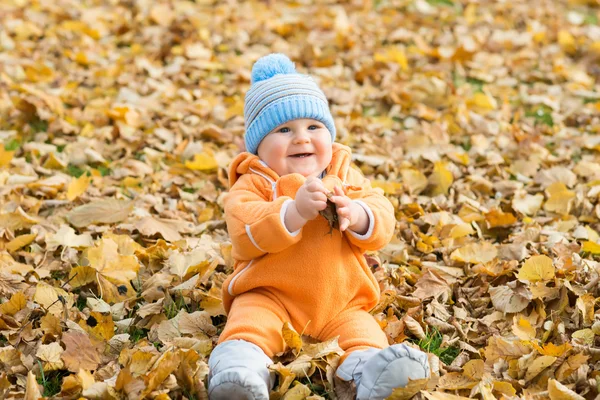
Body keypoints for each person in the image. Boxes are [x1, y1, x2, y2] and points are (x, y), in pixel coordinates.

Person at [207, 53, 430, 400]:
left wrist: (357, 215)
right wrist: (292, 213)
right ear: (259, 146)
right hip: (269, 296)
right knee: (248, 326)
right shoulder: (253, 184)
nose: (301, 138)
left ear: (329, 134)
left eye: (314, 127)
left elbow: (382, 216)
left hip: (341, 303)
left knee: (363, 336)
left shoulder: (344, 175)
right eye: (284, 130)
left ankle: (371, 374)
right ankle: (240, 372)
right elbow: (244, 233)